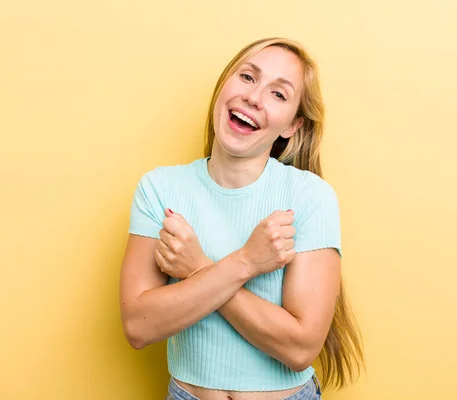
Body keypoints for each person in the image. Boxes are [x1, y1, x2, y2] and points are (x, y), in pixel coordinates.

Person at [119, 37, 364, 400]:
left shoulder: (310, 197)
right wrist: (245, 262)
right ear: (223, 88)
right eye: (248, 77)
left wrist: (198, 267)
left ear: (292, 126)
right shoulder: (160, 188)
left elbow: (299, 349)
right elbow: (139, 326)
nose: (254, 97)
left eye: (278, 94)